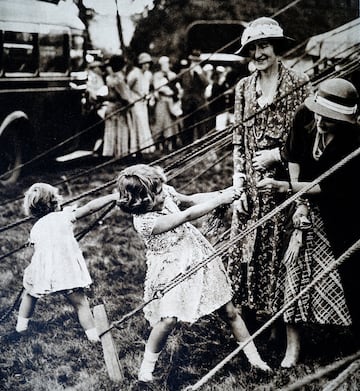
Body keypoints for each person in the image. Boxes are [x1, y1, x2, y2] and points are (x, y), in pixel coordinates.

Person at [116, 164, 270, 386]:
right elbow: (187, 215)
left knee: (229, 311)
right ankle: (146, 370)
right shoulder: (145, 223)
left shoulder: (163, 193)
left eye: (160, 189)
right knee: (168, 320)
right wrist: (220, 199)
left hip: (196, 254)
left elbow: (188, 201)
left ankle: (255, 360)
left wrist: (222, 194)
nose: (164, 193)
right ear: (142, 201)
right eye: (157, 193)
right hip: (171, 265)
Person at [257, 78, 360, 365]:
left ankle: (352, 341)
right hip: (300, 197)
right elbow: (293, 156)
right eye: (320, 115)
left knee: (350, 268)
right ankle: (292, 346)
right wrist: (297, 200)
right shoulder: (303, 114)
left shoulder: (353, 140)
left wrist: (287, 189)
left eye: (331, 120)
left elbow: (333, 187)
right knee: (293, 267)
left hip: (341, 209)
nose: (322, 123)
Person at [227, 17, 312, 329]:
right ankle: (249, 316)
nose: (258, 53)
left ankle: (281, 322)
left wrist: (277, 154)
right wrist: (238, 181)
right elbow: (238, 138)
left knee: (278, 251)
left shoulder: (299, 83)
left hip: (284, 182)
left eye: (263, 45)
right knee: (246, 250)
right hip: (250, 186)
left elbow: (309, 135)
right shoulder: (243, 88)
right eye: (252, 48)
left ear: (277, 48)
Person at [16, 183, 119, 341]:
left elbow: (36, 244)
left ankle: (20, 328)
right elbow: (90, 207)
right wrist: (112, 196)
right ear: (55, 201)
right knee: (81, 304)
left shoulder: (36, 228)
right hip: (65, 270)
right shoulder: (64, 216)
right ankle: (93, 338)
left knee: (30, 294)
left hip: (44, 271)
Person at [102, 54, 136, 157]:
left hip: (111, 107)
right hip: (119, 107)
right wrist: (132, 102)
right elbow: (125, 96)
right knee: (121, 130)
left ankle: (111, 153)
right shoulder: (119, 79)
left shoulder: (109, 78)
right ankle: (121, 153)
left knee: (111, 130)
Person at [180, 49, 210, 145]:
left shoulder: (203, 72)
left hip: (199, 103)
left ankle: (202, 146)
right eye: (193, 61)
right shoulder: (184, 72)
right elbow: (185, 85)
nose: (195, 63)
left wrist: (200, 73)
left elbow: (206, 84)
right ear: (191, 61)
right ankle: (187, 147)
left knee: (201, 126)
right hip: (188, 103)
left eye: (197, 61)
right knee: (188, 126)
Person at [152, 55, 183, 152]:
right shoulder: (157, 75)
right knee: (161, 122)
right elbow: (159, 88)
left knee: (172, 123)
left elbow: (178, 87)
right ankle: (160, 145)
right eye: (162, 64)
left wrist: (175, 93)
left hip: (171, 101)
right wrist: (167, 90)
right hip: (162, 101)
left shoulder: (172, 75)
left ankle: (172, 144)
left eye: (166, 63)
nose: (164, 66)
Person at [127, 52, 155, 154]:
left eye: (148, 63)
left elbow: (150, 88)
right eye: (144, 63)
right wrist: (131, 98)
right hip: (135, 102)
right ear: (140, 64)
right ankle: (135, 150)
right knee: (137, 123)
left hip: (143, 103)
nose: (146, 65)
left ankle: (144, 148)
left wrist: (148, 96)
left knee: (144, 124)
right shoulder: (134, 73)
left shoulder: (148, 74)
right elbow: (127, 88)